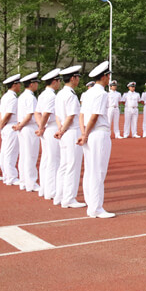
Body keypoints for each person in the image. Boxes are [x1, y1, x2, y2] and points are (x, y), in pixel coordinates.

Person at [78, 61, 115, 218]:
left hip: (89, 133)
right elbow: (94, 116)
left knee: (90, 170)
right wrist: (85, 134)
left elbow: (82, 115)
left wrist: (83, 133)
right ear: (105, 76)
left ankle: (91, 204)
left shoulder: (88, 93)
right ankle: (96, 208)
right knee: (98, 171)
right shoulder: (101, 93)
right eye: (108, 76)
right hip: (98, 133)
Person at [54, 65, 86, 209]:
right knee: (72, 166)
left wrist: (60, 129)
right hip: (71, 131)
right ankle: (69, 198)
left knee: (64, 165)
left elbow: (57, 115)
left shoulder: (60, 94)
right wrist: (63, 130)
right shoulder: (71, 95)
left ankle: (59, 196)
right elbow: (71, 115)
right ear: (73, 78)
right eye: (77, 77)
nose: (78, 80)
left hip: (64, 132)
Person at [36, 69, 62, 200]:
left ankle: (44, 188)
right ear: (54, 81)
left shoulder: (42, 95)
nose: (59, 84)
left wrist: (41, 126)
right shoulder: (52, 96)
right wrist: (42, 127)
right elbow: (45, 113)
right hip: (50, 127)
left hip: (46, 128)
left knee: (46, 159)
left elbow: (37, 113)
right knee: (53, 159)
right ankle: (51, 190)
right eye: (59, 81)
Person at [15, 72, 41, 192]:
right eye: (36, 83)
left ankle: (23, 181)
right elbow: (30, 114)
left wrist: (20, 125)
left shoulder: (21, 96)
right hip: (28, 127)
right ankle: (31, 183)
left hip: (23, 128)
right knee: (30, 155)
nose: (37, 85)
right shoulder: (30, 97)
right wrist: (21, 125)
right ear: (31, 84)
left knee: (24, 155)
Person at [0, 74, 22, 185]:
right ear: (15, 85)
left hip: (5, 125)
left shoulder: (5, 96)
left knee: (4, 152)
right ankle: (11, 177)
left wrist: (1, 124)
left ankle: (6, 175)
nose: (20, 86)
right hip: (10, 125)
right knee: (10, 153)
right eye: (19, 84)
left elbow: (0, 113)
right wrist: (2, 124)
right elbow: (8, 114)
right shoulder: (12, 98)